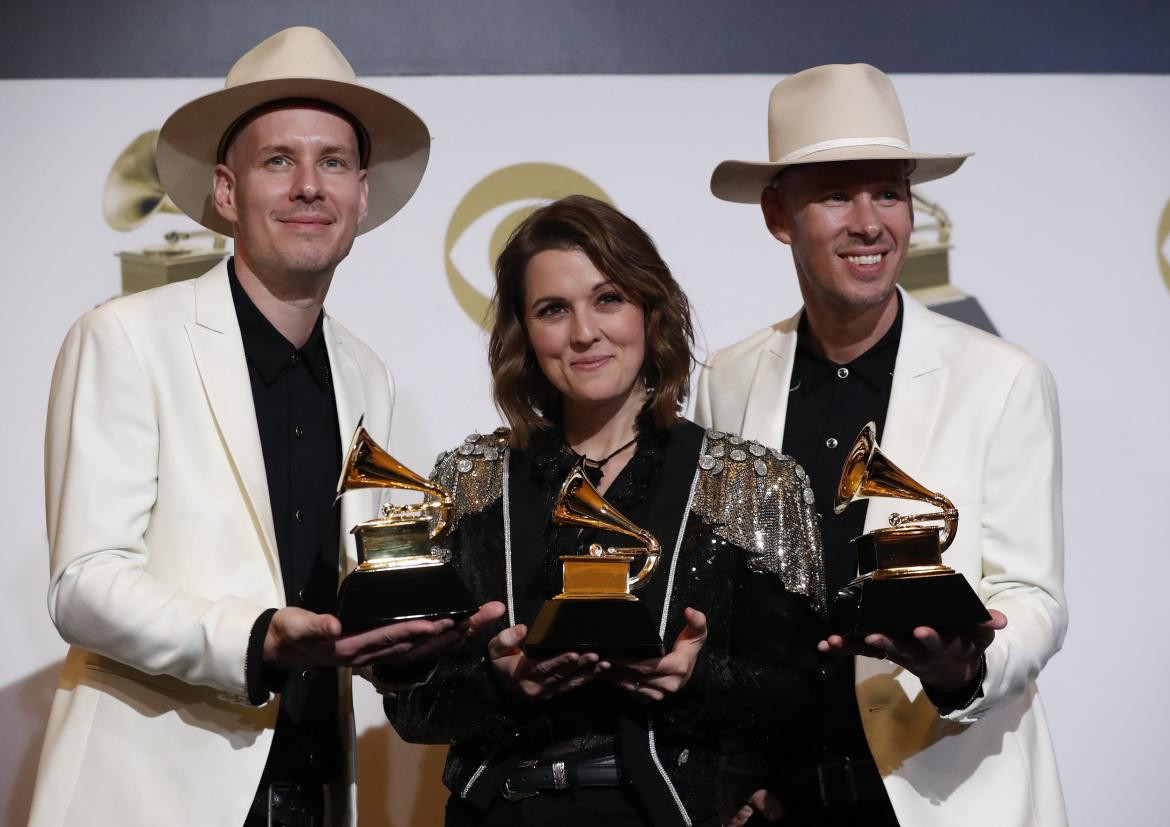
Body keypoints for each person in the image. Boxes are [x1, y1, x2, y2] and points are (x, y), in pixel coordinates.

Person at [29, 27, 502, 827]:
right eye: (278, 160)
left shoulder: (368, 375)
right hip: (151, 799)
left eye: (335, 162)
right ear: (225, 190)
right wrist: (258, 640)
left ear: (361, 196)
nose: (309, 186)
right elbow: (83, 583)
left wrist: (420, 640)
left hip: (316, 793)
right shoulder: (125, 336)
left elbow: (359, 595)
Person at [378, 195, 826, 826]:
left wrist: (696, 680)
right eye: (553, 310)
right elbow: (411, 708)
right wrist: (499, 684)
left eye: (608, 298)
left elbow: (807, 699)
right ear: (523, 334)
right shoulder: (469, 484)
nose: (584, 332)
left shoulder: (750, 485)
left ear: (651, 309)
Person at [698, 64, 1067, 826]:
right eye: (836, 193)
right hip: (783, 802)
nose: (871, 222)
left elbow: (1034, 596)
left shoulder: (1005, 378)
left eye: (889, 191)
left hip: (950, 800)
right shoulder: (727, 379)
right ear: (779, 213)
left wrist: (967, 670)